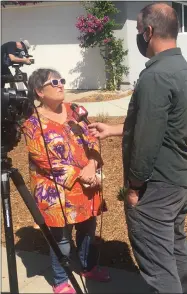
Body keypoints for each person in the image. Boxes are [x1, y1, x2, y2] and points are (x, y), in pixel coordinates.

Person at [88, 3, 187, 293]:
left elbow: (147, 140)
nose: (138, 36)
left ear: (149, 32)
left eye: (138, 30)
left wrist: (135, 188)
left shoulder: (155, 76)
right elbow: (158, 123)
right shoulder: (181, 67)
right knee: (175, 251)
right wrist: (113, 130)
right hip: (180, 182)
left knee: (160, 271)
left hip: (156, 187)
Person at [22, 68, 110, 294]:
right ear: (39, 91)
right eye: (54, 82)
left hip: (87, 186)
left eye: (61, 80)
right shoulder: (32, 123)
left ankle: (88, 267)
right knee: (61, 239)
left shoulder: (76, 111)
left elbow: (93, 138)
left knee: (88, 230)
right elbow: (42, 160)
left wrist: (92, 164)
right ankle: (60, 280)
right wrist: (80, 175)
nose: (61, 84)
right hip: (56, 191)